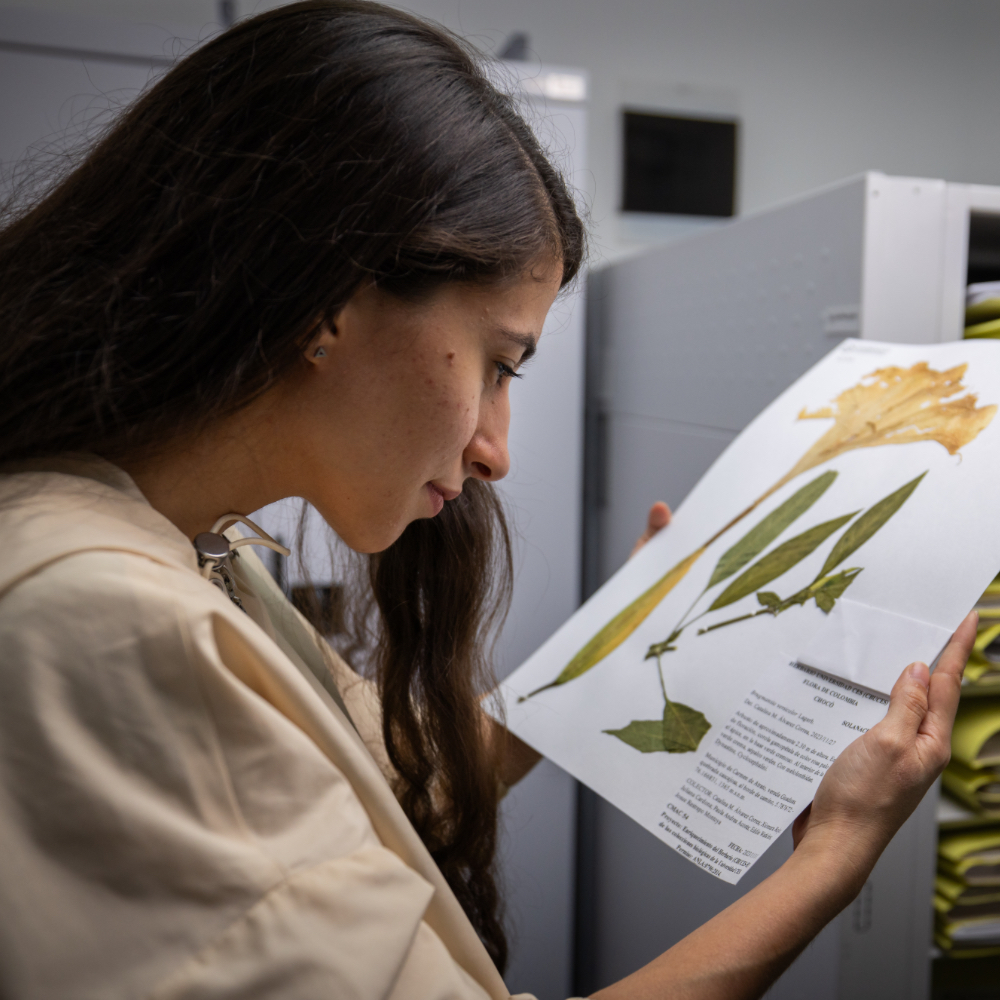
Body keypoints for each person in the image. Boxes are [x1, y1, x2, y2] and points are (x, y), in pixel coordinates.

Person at [0, 3, 975, 998]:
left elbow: (381, 778)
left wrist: (624, 645)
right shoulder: (100, 615)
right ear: (325, 302)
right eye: (500, 363)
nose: (496, 452)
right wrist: (836, 854)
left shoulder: (169, 544)